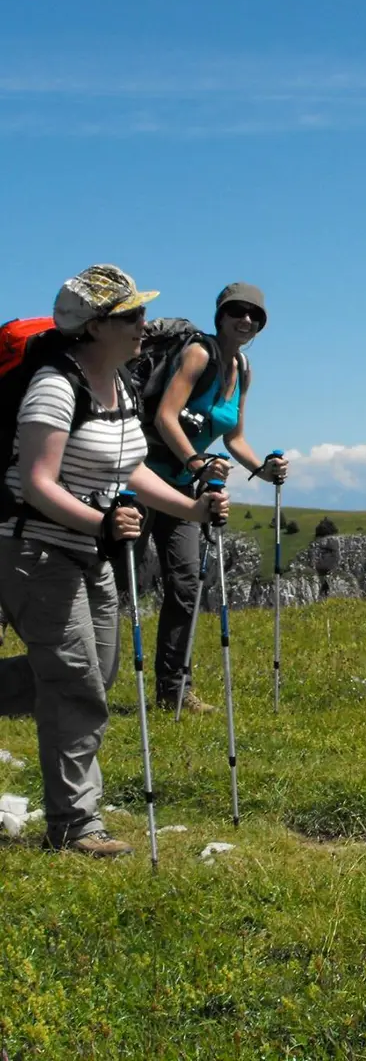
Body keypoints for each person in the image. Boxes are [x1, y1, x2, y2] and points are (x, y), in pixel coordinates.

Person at [0, 265, 228, 857]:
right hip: (36, 547)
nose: (143, 325)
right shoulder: (54, 386)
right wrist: (100, 521)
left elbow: (129, 469)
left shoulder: (120, 384)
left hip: (90, 549)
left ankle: (75, 815)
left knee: (95, 675)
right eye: (130, 316)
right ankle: (75, 826)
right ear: (95, 325)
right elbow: (35, 482)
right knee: (76, 680)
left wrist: (193, 510)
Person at [142, 282, 287, 713]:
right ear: (220, 315)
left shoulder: (242, 369)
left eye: (255, 316)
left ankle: (174, 692)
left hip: (186, 485)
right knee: (112, 580)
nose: (246, 320)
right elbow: (166, 416)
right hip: (142, 477)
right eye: (237, 312)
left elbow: (234, 436)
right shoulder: (199, 354)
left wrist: (260, 468)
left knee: (187, 583)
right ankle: (76, 679)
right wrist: (196, 463)